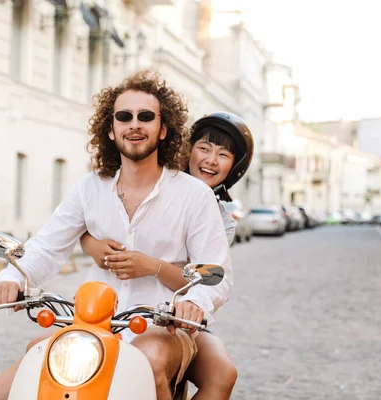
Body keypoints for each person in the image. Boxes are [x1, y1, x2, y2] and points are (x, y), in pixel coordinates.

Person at [0, 70, 233, 400]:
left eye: (146, 117)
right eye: (124, 117)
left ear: (163, 130)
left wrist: (193, 304)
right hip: (90, 325)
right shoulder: (90, 187)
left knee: (148, 360)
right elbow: (47, 245)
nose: (134, 124)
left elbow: (216, 272)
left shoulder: (193, 195)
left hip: (162, 327)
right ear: (111, 130)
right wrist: (14, 277)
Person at [80, 111, 254, 399]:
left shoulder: (220, 218)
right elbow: (88, 225)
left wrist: (152, 266)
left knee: (223, 373)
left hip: (173, 314)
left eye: (223, 154)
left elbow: (202, 281)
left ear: (234, 167)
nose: (211, 159)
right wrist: (91, 244)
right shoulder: (153, 183)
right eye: (204, 148)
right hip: (114, 307)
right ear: (187, 150)